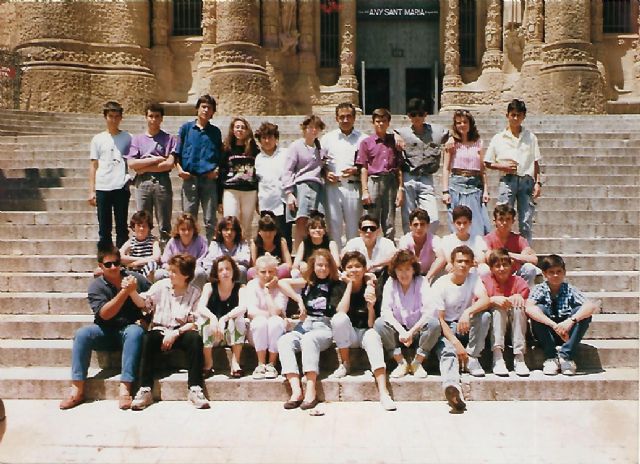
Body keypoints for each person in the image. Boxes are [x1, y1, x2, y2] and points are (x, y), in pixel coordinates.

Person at [59, 244, 150, 410]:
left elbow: (154, 298)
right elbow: (105, 314)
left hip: (128, 330)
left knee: (135, 331)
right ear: (101, 266)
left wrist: (147, 319)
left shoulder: (135, 278)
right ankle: (77, 389)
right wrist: (125, 292)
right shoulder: (96, 286)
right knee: (82, 334)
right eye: (108, 264)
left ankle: (125, 389)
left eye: (116, 263)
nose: (113, 267)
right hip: (105, 330)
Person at [130, 254, 210, 410]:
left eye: (174, 271)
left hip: (181, 332)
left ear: (186, 275)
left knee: (195, 339)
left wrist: (175, 333)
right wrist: (132, 292)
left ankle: (195, 388)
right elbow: (143, 303)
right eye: (170, 270)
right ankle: (145, 389)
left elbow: (195, 322)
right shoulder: (161, 285)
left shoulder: (195, 292)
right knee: (147, 339)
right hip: (160, 329)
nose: (169, 274)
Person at [277, 249, 350, 410]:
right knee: (284, 341)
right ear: (313, 266)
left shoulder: (337, 285)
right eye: (319, 265)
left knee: (309, 340)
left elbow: (340, 311)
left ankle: (311, 390)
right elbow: (282, 283)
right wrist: (299, 300)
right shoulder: (308, 283)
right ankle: (296, 391)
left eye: (326, 265)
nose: (322, 269)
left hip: (323, 326)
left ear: (331, 267)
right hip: (305, 324)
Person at [329, 251, 397, 411]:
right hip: (349, 334)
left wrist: (371, 307)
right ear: (344, 270)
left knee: (373, 337)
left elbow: (372, 324)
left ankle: (383, 391)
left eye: (358, 266)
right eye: (350, 267)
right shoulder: (339, 286)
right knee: (339, 319)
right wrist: (350, 285)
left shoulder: (373, 288)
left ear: (365, 269)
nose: (354, 270)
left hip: (366, 330)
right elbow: (341, 311)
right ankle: (345, 364)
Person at [431, 246, 491, 411]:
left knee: (485, 316)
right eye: (459, 261)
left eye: (466, 262)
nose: (463, 265)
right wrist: (455, 342)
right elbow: (440, 319)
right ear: (452, 263)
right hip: (447, 328)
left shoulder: (473, 278)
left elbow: (485, 299)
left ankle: (472, 356)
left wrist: (467, 312)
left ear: (472, 264)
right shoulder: (440, 284)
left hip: (465, 323)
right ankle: (452, 388)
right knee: (448, 351)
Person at [373, 250, 441, 379]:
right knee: (379, 324)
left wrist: (411, 332)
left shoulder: (421, 282)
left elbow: (429, 311)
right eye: (400, 270)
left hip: (418, 330)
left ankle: (417, 363)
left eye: (407, 269)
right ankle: (401, 362)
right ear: (395, 271)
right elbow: (385, 312)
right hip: (399, 332)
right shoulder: (391, 283)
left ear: (413, 270)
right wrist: (402, 332)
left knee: (434, 324)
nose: (404, 274)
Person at [526, 254, 597, 376]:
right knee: (539, 309)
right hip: (547, 334)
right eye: (551, 272)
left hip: (566, 334)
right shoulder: (540, 289)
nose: (555, 275)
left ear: (564, 272)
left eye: (559, 271)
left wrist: (571, 321)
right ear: (544, 274)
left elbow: (590, 306)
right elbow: (529, 308)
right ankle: (551, 357)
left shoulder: (569, 289)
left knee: (582, 312)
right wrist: (554, 325)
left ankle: (566, 356)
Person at [484, 99, 542, 243]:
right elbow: (487, 162)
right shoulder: (498, 138)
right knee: (503, 218)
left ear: (523, 117)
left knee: (526, 221)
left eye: (519, 115)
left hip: (526, 181)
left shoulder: (531, 137)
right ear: (507, 115)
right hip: (508, 180)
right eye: (513, 115)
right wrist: (502, 166)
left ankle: (525, 253)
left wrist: (538, 183)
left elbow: (536, 162)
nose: (515, 118)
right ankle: (501, 251)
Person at [395, 98, 449, 235]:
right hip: (409, 177)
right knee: (409, 219)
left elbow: (451, 134)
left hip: (426, 178)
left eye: (420, 114)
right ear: (408, 116)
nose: (417, 118)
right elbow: (392, 134)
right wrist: (396, 137)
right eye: (413, 115)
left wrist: (452, 138)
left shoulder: (436, 132)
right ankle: (410, 248)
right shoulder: (402, 133)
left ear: (425, 115)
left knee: (434, 219)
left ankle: (425, 242)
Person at [125, 102, 176, 244]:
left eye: (157, 116)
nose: (153, 119)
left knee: (164, 222)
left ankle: (165, 251)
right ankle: (145, 251)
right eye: (150, 116)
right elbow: (132, 163)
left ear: (161, 118)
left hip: (162, 182)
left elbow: (169, 164)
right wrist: (156, 159)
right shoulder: (137, 139)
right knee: (142, 221)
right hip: (143, 183)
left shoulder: (169, 139)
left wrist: (144, 167)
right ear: (146, 117)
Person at [175, 94, 223, 242]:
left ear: (213, 112)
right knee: (189, 219)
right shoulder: (186, 129)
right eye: (203, 107)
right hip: (190, 179)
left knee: (210, 220)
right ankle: (190, 250)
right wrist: (179, 169)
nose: (206, 110)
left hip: (208, 180)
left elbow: (220, 155)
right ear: (197, 109)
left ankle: (210, 251)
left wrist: (217, 170)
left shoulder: (215, 132)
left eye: (209, 108)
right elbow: (177, 152)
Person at [320, 102, 368, 247]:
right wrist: (326, 173)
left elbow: (369, 164)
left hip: (353, 187)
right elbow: (319, 163)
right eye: (342, 117)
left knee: (353, 228)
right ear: (336, 118)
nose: (345, 120)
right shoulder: (327, 139)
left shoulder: (363, 139)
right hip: (332, 187)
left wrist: (356, 170)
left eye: (348, 116)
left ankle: (351, 260)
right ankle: (336, 262)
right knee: (334, 226)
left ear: (354, 118)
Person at [89, 101, 132, 248]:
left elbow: (134, 159)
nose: (113, 120)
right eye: (110, 116)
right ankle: (105, 262)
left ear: (121, 118)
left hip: (120, 186)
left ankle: (122, 261)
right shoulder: (97, 139)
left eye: (116, 116)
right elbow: (94, 165)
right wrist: (91, 190)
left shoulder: (128, 137)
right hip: (102, 186)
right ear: (105, 117)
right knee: (104, 228)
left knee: (122, 227)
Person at [442, 109, 491, 237]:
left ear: (470, 124)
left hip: (475, 186)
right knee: (458, 224)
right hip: (456, 185)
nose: (462, 125)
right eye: (458, 123)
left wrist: (486, 190)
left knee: (478, 225)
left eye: (465, 122)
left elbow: (483, 169)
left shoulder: (479, 143)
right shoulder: (452, 144)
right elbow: (446, 168)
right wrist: (445, 191)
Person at [481, 248, 531, 377]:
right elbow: (477, 302)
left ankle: (519, 356)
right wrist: (491, 300)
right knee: (498, 308)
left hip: (515, 327)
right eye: (497, 266)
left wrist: (519, 297)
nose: (502, 269)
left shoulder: (519, 281)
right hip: (493, 328)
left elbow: (528, 301)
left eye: (505, 265)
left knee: (519, 306)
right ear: (491, 269)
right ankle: (497, 357)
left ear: (511, 266)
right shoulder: (485, 281)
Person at [356, 108, 403, 240]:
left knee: (389, 220)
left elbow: (398, 167)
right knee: (371, 218)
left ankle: (389, 248)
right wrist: (365, 190)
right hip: (374, 182)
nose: (380, 124)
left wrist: (400, 188)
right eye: (377, 121)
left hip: (390, 181)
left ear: (388, 123)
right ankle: (370, 246)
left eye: (384, 121)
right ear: (373, 123)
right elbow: (364, 168)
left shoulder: (394, 141)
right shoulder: (366, 142)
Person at [283, 115, 328, 248]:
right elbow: (288, 170)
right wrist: (289, 193)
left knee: (316, 223)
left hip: (317, 187)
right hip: (302, 186)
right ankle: (298, 253)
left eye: (317, 128)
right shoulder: (296, 146)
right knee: (301, 222)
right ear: (304, 129)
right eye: (310, 127)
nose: (314, 130)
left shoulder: (320, 148)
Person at [198, 256, 246, 378]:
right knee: (205, 320)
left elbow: (243, 307)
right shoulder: (209, 287)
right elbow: (201, 307)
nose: (225, 272)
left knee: (239, 319)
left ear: (233, 271)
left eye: (228, 269)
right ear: (216, 273)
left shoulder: (241, 288)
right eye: (221, 270)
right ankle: (208, 364)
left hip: (232, 333)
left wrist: (225, 318)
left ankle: (235, 363)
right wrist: (213, 318)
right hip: (213, 333)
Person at [242, 253, 288, 380]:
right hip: (257, 331)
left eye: (271, 271)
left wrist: (267, 291)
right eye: (263, 272)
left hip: (275, 330)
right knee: (260, 322)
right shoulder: (251, 286)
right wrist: (273, 314)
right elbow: (251, 312)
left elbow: (277, 311)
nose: (267, 275)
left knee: (275, 322)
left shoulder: (281, 287)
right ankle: (260, 364)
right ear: (256, 273)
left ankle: (272, 364)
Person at [220, 117, 260, 237]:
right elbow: (221, 171)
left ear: (247, 130)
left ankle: (244, 251)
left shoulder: (254, 149)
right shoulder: (226, 148)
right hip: (231, 189)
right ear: (232, 130)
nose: (240, 130)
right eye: (237, 127)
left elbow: (258, 172)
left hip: (249, 191)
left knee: (246, 226)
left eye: (243, 127)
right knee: (230, 222)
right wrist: (218, 199)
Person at [254, 122, 291, 248]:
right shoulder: (257, 158)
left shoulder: (286, 154)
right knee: (267, 237)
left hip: (283, 201)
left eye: (270, 137)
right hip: (266, 203)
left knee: (285, 236)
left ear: (276, 138)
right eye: (264, 138)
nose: (267, 140)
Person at [484, 204, 539, 286]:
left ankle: (523, 295)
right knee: (483, 269)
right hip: (496, 274)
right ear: (495, 221)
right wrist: (516, 258)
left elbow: (534, 259)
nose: (505, 223)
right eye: (501, 219)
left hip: (514, 275)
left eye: (508, 219)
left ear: (513, 221)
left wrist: (510, 255)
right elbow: (489, 257)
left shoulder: (519, 240)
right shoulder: (487, 239)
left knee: (529, 269)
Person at [431, 205, 487, 276]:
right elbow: (448, 260)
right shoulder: (447, 240)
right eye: (459, 223)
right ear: (453, 223)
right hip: (455, 274)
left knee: (484, 269)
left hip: (472, 274)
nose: (462, 227)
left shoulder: (477, 239)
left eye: (465, 223)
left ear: (470, 223)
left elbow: (482, 258)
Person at [158, 214, 209, 289]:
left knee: (200, 273)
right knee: (159, 274)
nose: (187, 232)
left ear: (194, 229)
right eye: (183, 229)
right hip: (175, 272)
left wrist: (189, 269)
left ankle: (197, 297)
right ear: (178, 230)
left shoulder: (200, 241)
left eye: (189, 229)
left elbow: (204, 258)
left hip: (193, 271)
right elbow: (165, 261)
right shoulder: (173, 242)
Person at [199, 216, 251, 282]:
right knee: (209, 271)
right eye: (226, 229)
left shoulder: (242, 243)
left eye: (232, 230)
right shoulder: (215, 244)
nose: (229, 233)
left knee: (242, 270)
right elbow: (208, 262)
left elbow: (246, 259)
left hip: (235, 273)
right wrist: (232, 261)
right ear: (220, 231)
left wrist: (225, 262)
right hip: (218, 274)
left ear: (236, 232)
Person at [398, 208, 442, 282]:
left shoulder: (434, 239)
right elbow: (403, 260)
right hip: (410, 276)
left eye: (422, 224)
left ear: (428, 225)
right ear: (410, 226)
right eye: (415, 225)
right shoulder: (405, 240)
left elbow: (441, 258)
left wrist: (428, 277)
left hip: (430, 275)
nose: (419, 228)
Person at [291, 212, 340, 277]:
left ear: (324, 230)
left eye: (320, 228)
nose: (317, 230)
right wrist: (302, 263)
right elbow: (295, 265)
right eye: (313, 228)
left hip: (326, 271)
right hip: (309, 272)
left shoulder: (331, 243)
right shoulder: (304, 243)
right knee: (294, 273)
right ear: (308, 231)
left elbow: (337, 264)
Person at [248, 212, 292, 279]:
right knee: (251, 272)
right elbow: (253, 265)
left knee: (285, 267)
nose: (268, 234)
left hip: (277, 274)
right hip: (261, 274)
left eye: (271, 231)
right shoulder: (255, 243)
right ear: (259, 232)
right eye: (265, 231)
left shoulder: (281, 242)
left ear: (275, 232)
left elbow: (289, 264)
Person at [119, 210, 161, 279]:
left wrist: (136, 263)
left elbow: (156, 257)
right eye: (138, 225)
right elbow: (120, 256)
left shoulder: (153, 240)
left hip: (149, 272)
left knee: (152, 264)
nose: (141, 229)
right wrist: (140, 259)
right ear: (133, 227)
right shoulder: (131, 241)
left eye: (144, 226)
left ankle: (147, 285)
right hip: (135, 272)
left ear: (148, 228)